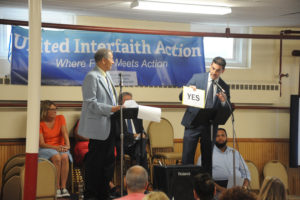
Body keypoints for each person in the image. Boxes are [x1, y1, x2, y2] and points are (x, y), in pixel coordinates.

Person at [78, 48, 121, 200]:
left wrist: (117, 108)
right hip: (98, 128)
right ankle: (91, 195)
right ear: (103, 60)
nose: (113, 61)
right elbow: (90, 104)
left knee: (108, 162)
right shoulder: (92, 76)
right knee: (95, 163)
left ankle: (104, 193)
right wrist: (112, 108)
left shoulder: (107, 75)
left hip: (110, 125)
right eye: (111, 58)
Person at [180, 56, 231, 174]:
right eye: (212, 68)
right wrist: (187, 91)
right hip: (193, 123)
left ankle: (206, 189)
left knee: (207, 160)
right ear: (210, 66)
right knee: (187, 158)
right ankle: (185, 188)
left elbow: (227, 108)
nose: (214, 72)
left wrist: (223, 101)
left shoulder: (224, 87)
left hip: (210, 126)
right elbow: (181, 96)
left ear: (223, 71)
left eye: (218, 70)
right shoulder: (197, 78)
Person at [197, 128, 250, 194]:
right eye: (217, 136)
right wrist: (221, 189)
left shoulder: (235, 152)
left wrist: (244, 187)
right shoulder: (207, 154)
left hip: (238, 186)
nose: (220, 138)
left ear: (226, 138)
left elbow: (246, 173)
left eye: (223, 135)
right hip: (216, 187)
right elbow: (202, 175)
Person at [38, 100, 72, 198]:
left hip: (60, 146)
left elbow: (65, 133)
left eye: (55, 109)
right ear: (45, 111)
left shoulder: (60, 118)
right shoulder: (40, 123)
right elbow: (42, 143)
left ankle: (63, 187)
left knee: (65, 156)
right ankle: (56, 188)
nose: (55, 111)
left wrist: (68, 145)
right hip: (46, 148)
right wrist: (56, 148)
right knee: (57, 157)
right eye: (52, 109)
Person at [115, 92, 148, 170]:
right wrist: (133, 135)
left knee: (141, 145)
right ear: (120, 103)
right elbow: (117, 134)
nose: (129, 103)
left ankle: (137, 172)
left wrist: (143, 134)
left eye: (131, 101)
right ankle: (144, 177)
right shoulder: (117, 115)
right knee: (142, 152)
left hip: (135, 144)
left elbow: (142, 130)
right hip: (124, 144)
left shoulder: (136, 116)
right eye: (126, 100)